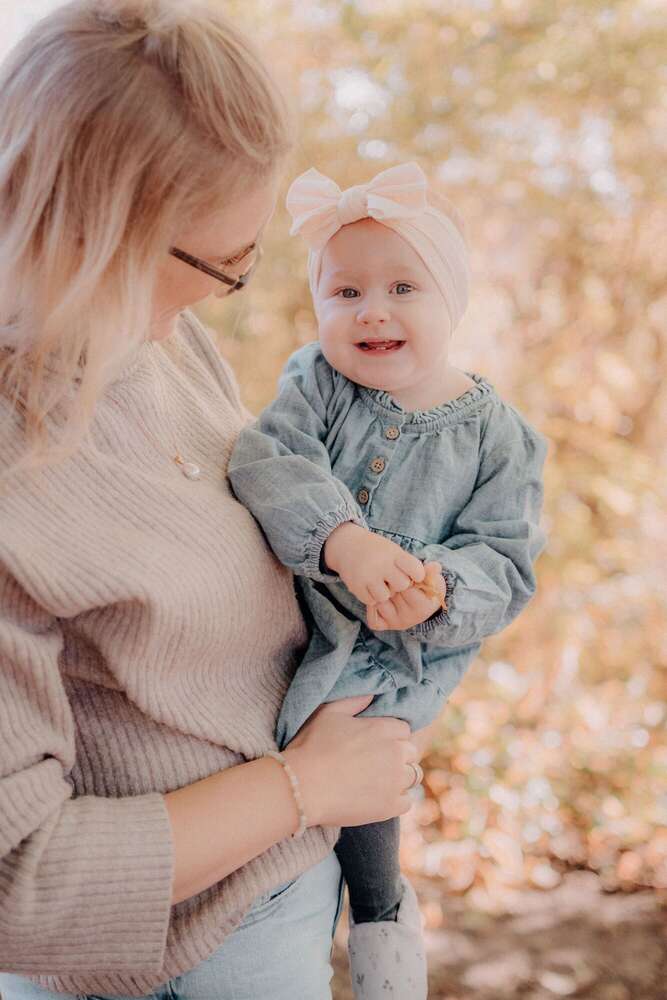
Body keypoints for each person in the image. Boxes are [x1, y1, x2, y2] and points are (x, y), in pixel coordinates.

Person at [0, 4, 433, 999]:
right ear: (95, 231)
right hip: (152, 958)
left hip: (280, 893)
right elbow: (15, 883)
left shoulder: (151, 334)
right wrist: (305, 785)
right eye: (223, 265)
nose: (223, 294)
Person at [228, 161, 548, 999]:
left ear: (452, 299)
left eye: (403, 286)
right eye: (344, 293)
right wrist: (341, 539)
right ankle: (253, 883)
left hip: (396, 653)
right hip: (288, 618)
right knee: (262, 736)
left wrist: (440, 585)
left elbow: (505, 564)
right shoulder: (317, 381)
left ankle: (380, 923)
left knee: (352, 733)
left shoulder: (498, 436)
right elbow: (267, 459)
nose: (371, 309)